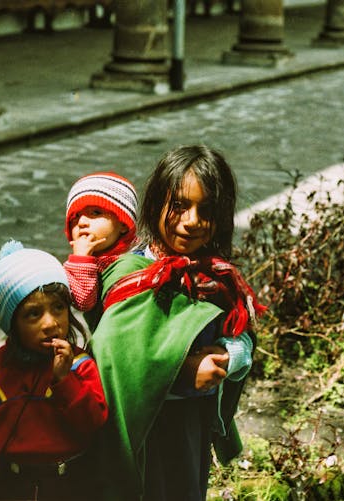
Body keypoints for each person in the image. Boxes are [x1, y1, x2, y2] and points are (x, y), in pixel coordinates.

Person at [90, 145, 266, 500]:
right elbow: (113, 357)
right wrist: (183, 371)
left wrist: (232, 355)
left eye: (207, 210)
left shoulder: (214, 276)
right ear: (156, 204)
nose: (191, 221)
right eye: (180, 206)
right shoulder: (131, 275)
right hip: (143, 432)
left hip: (189, 429)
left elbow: (242, 334)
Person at [0, 240, 108, 501]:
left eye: (58, 308)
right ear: (12, 323)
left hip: (73, 484)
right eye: (33, 314)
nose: (51, 323)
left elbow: (93, 423)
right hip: (12, 486)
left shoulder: (79, 365)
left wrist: (64, 381)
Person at [62, 172, 138, 327]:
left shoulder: (140, 254)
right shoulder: (84, 263)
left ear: (123, 224)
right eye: (75, 217)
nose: (82, 222)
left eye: (95, 213)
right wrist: (81, 260)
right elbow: (83, 301)